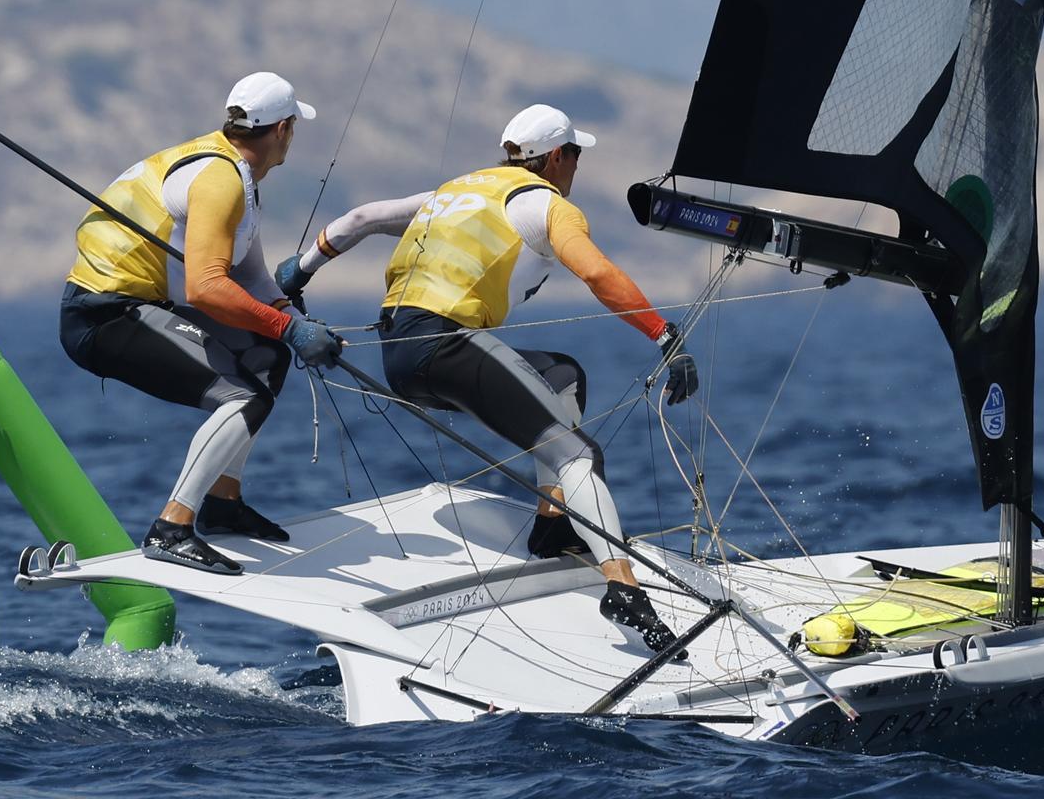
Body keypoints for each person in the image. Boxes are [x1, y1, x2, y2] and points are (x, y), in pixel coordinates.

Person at [273, 104, 699, 658]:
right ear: (556, 157)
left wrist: (300, 271)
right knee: (580, 455)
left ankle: (553, 525)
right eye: (574, 154)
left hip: (400, 356)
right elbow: (597, 273)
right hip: (447, 346)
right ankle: (623, 587)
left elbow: (360, 219)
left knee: (563, 376)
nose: (576, 165)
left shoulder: (457, 192)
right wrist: (665, 336)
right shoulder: (547, 204)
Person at [59, 71, 341, 576]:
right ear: (281, 130)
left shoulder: (235, 175)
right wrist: (290, 330)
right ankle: (172, 527)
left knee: (267, 356)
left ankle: (222, 504)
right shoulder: (221, 180)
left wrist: (296, 323)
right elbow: (206, 289)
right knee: (245, 395)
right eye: (294, 127)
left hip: (135, 303)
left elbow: (251, 276)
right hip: (103, 315)